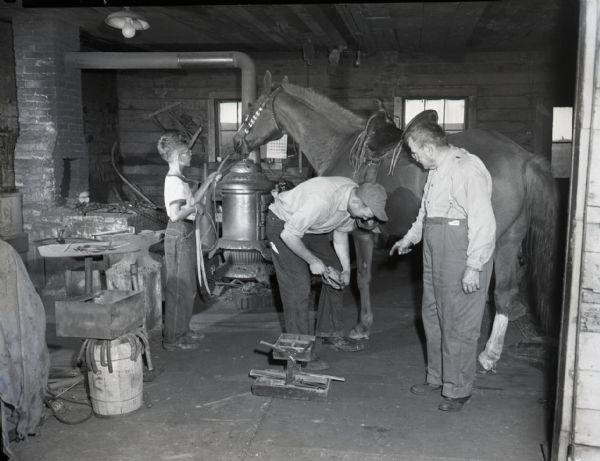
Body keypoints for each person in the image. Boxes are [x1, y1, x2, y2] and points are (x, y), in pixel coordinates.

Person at [389, 122, 496, 412]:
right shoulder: (435, 172)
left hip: (459, 244)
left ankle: (459, 388)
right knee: (433, 313)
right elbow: (426, 213)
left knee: (458, 319)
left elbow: (484, 220)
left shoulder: (466, 168)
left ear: (428, 147)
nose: (414, 158)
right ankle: (438, 377)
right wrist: (410, 238)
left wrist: (474, 265)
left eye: (414, 152)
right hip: (435, 243)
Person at [266, 176, 388, 370]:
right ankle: (300, 354)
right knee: (298, 288)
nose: (366, 218)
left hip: (309, 230)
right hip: (283, 225)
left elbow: (340, 234)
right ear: (357, 201)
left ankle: (330, 333)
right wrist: (313, 261)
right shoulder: (321, 201)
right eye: (367, 212)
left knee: (336, 273)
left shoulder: (352, 201)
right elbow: (289, 235)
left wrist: (346, 269)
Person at [158, 131, 221, 351]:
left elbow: (193, 200)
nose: (190, 155)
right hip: (178, 232)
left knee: (188, 287)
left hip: (185, 233)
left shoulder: (180, 180)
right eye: (186, 152)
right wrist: (196, 208)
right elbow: (176, 214)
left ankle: (183, 330)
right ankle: (173, 339)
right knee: (179, 288)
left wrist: (208, 182)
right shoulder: (173, 182)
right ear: (176, 156)